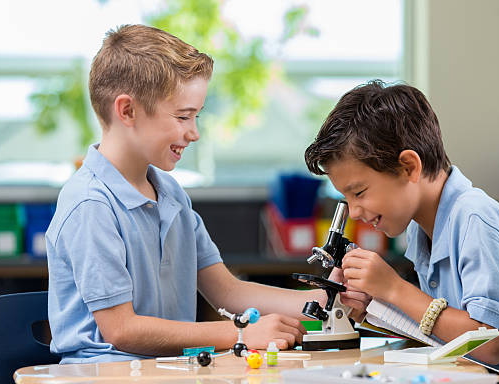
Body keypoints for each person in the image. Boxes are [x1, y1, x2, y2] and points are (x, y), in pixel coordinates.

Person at [46, 24, 369, 364]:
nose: (194, 132)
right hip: (102, 382)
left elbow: (229, 292)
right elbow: (122, 329)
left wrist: (326, 301)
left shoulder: (169, 194)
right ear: (127, 111)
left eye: (196, 116)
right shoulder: (91, 204)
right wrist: (240, 334)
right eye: (183, 116)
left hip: (165, 374)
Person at [304, 80, 499, 380]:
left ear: (408, 167)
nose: (354, 211)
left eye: (360, 192)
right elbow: (445, 334)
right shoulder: (423, 228)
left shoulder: (474, 218)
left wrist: (395, 289)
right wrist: (374, 305)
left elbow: (489, 343)